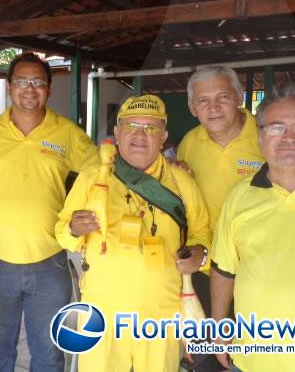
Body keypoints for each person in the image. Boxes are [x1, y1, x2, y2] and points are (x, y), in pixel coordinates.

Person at [56, 95, 211, 372]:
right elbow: (62, 232)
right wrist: (73, 228)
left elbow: (201, 232)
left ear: (163, 136)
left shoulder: (182, 181)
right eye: (131, 127)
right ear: (117, 133)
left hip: (161, 313)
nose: (140, 135)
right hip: (103, 312)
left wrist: (200, 254)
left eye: (150, 128)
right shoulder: (93, 177)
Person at [0, 52, 97, 372]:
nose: (30, 88)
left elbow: (102, 172)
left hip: (50, 262)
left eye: (38, 82)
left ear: (49, 90)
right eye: (22, 82)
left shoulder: (67, 133)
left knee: (50, 352)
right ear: (10, 87)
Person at [211, 84, 295, 372]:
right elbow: (224, 268)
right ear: (260, 138)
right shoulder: (240, 195)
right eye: (276, 128)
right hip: (252, 360)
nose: (289, 138)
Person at [176, 66, 265, 371]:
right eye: (203, 101)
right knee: (206, 360)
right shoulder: (189, 142)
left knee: (253, 358)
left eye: (222, 97)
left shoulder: (266, 137)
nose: (213, 107)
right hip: (205, 270)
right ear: (192, 107)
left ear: (239, 98)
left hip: (255, 272)